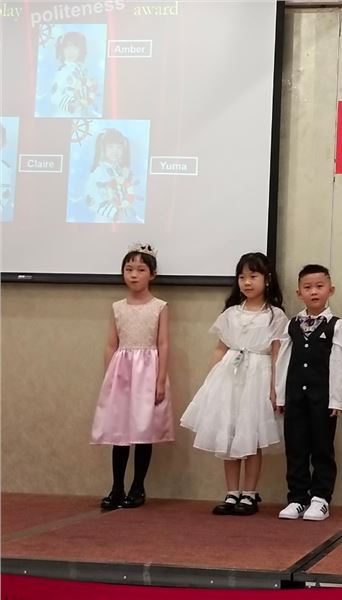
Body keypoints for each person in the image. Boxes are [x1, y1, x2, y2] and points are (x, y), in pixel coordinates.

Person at [181, 252, 287, 516]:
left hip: (258, 378)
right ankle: (232, 492)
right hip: (229, 377)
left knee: (251, 435)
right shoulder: (231, 313)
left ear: (267, 279)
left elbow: (278, 354)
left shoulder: (275, 316)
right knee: (227, 435)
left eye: (253, 276)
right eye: (242, 277)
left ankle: (249, 493)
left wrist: (275, 388)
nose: (247, 282)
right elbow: (221, 348)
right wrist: (211, 380)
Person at [91, 243, 173, 510]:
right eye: (129, 269)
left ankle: (138, 487)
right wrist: (110, 377)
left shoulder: (159, 306)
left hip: (148, 372)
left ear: (152, 274)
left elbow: (163, 344)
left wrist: (160, 379)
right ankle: (117, 487)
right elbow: (110, 344)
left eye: (140, 269)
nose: (134, 275)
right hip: (122, 372)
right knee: (120, 431)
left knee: (142, 430)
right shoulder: (117, 307)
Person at [275, 264, 342, 521]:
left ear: (331, 289)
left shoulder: (336, 325)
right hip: (295, 397)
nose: (314, 292)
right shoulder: (292, 325)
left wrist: (336, 400)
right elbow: (283, 361)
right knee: (296, 446)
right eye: (307, 287)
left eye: (319, 286)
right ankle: (297, 497)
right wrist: (281, 395)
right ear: (299, 293)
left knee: (322, 446)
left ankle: (320, 498)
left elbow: (341, 364)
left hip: (323, 398)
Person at [82, 129, 141, 224]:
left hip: (122, 217)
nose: (115, 151)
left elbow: (129, 193)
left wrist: (126, 179)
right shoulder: (99, 171)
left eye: (119, 147)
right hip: (104, 218)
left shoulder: (121, 170)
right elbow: (90, 195)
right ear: (103, 148)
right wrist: (114, 212)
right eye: (110, 147)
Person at [49, 31, 98, 117]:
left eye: (75, 48)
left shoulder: (81, 69)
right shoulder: (63, 72)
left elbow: (86, 88)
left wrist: (89, 96)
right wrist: (71, 104)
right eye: (67, 48)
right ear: (62, 50)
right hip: (65, 115)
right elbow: (54, 95)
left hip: (81, 114)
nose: (71, 52)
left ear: (80, 50)